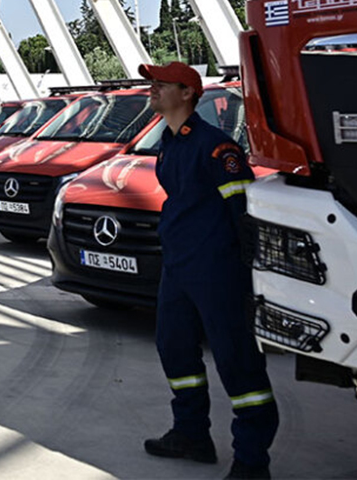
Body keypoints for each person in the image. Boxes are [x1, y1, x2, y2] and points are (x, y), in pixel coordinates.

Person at [139, 62, 279, 480]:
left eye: (161, 85)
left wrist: (245, 274)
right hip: (179, 268)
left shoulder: (217, 149)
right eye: (153, 84)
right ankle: (191, 435)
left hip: (217, 270)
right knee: (174, 349)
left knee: (238, 363)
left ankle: (252, 461)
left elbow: (242, 213)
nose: (153, 90)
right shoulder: (169, 143)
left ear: (187, 93)